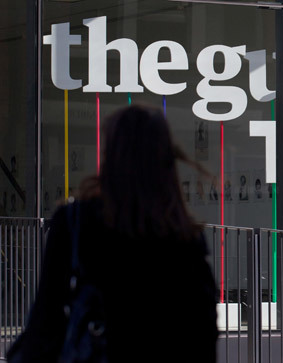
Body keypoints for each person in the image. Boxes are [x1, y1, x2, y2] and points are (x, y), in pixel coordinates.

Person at [9, 105, 217, 362]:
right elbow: (203, 331)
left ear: (111, 154)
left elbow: (45, 317)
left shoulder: (76, 221)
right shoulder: (182, 234)